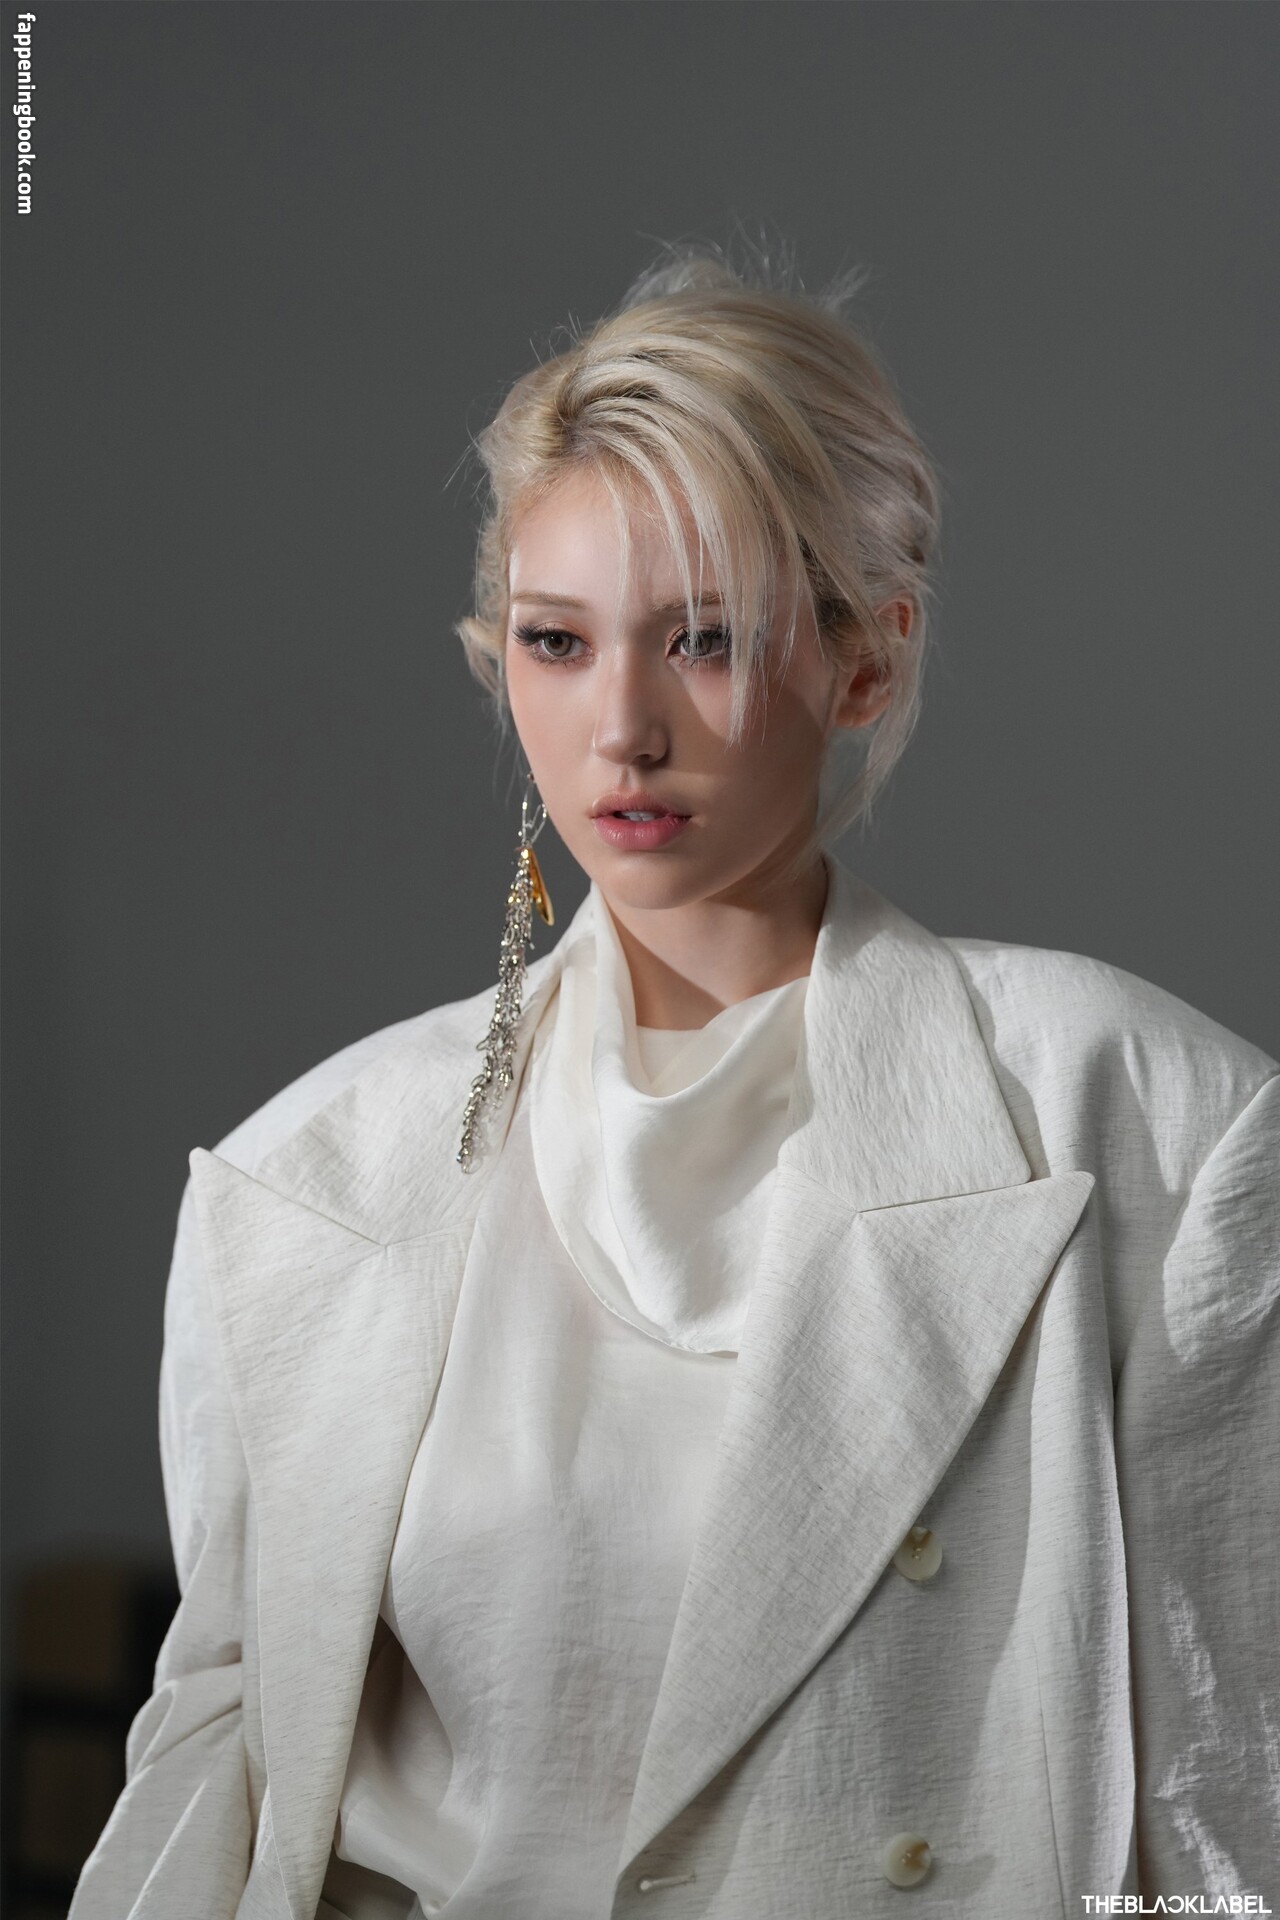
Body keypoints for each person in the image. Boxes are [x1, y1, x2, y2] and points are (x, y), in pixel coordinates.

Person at [71, 247, 1278, 1920]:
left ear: (866, 661)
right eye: (557, 643)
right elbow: (217, 1802)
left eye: (704, 638)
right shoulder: (308, 1189)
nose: (622, 727)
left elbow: (1231, 1811)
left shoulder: (1152, 1122)